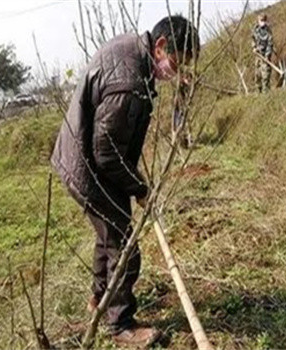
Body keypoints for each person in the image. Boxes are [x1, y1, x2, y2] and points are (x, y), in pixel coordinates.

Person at [51, 15, 199, 348]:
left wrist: (133, 182)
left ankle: (98, 301)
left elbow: (112, 147)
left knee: (108, 234)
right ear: (160, 46)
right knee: (124, 246)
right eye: (176, 61)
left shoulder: (134, 50)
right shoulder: (128, 83)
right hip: (88, 167)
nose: (175, 72)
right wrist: (139, 187)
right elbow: (106, 154)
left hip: (84, 158)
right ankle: (121, 325)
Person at [251, 13, 273, 93]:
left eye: (264, 20)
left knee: (265, 74)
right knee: (257, 74)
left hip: (266, 54)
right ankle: (258, 91)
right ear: (258, 21)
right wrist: (254, 47)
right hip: (258, 55)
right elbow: (253, 39)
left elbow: (270, 44)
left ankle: (265, 91)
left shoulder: (268, 31)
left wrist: (267, 55)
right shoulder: (255, 29)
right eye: (261, 20)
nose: (262, 22)